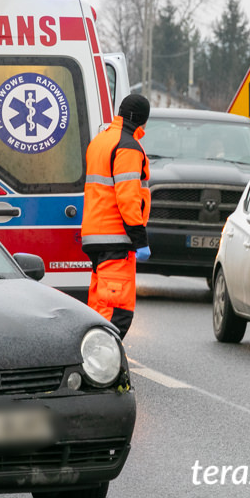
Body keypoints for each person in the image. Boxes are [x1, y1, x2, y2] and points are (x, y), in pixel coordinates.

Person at [80, 94, 152, 338]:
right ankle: (100, 369)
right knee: (116, 313)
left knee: (99, 309)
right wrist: (140, 238)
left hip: (95, 235)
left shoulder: (101, 140)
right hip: (116, 239)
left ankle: (93, 367)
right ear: (141, 118)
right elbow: (128, 196)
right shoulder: (127, 147)